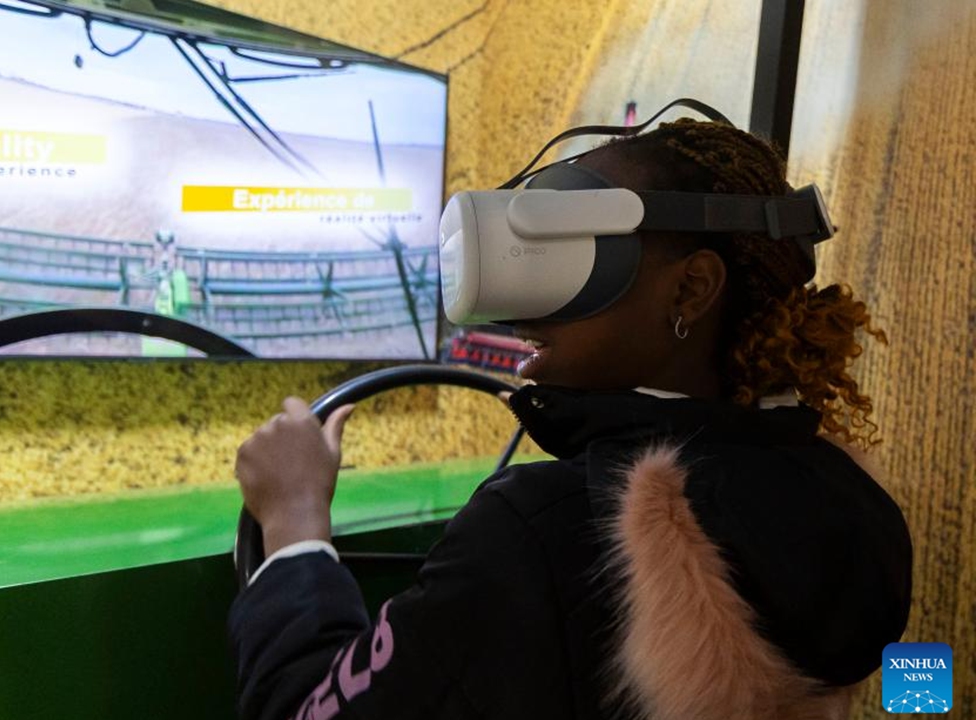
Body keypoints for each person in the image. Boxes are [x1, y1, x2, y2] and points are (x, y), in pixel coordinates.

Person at [230, 118, 913, 720]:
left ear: (691, 288)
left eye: (568, 256)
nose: (524, 310)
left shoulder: (542, 532)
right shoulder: (853, 505)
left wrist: (293, 529)